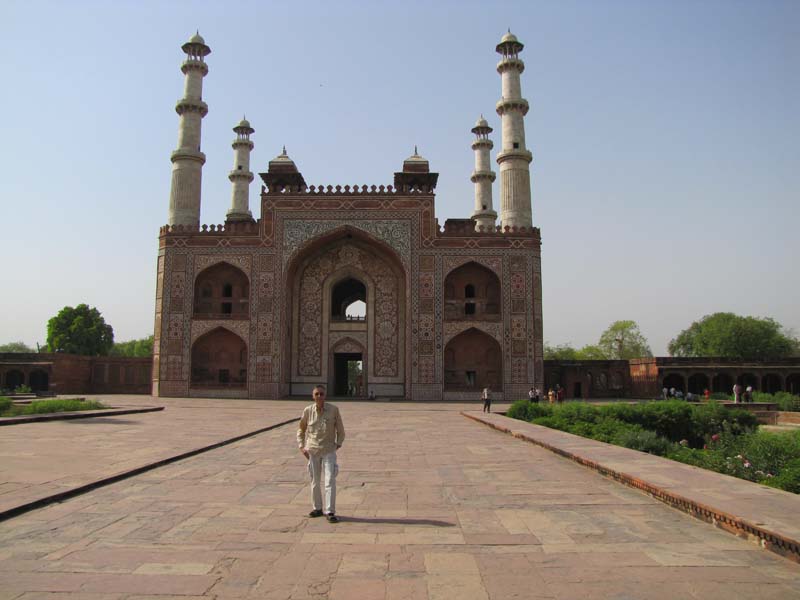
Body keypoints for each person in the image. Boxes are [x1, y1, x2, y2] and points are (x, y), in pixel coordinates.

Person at [297, 385, 345, 523]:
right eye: (316, 394)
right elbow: (301, 430)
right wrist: (301, 447)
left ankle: (330, 511)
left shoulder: (333, 410)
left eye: (321, 394)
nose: (319, 396)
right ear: (313, 396)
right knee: (315, 481)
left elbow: (341, 431)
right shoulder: (307, 411)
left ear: (325, 395)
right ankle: (317, 508)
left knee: (329, 480)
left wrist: (338, 444)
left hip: (328, 450)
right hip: (312, 450)